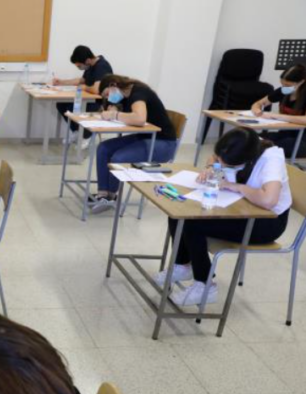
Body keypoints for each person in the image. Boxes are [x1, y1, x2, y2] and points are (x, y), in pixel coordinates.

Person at [156, 128, 291, 306]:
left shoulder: (271, 158)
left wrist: (236, 187)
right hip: (239, 207)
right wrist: (212, 169)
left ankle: (205, 285)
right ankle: (182, 265)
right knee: (179, 212)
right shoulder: (240, 142)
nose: (220, 162)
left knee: (192, 224)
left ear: (244, 159)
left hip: (267, 221)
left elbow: (269, 200)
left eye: (225, 163)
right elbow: (213, 158)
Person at [91, 74, 178, 213]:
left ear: (113, 85)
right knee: (104, 148)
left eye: (107, 94)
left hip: (162, 143)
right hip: (145, 137)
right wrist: (115, 110)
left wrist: (114, 115)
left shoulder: (138, 93)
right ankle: (103, 194)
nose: (108, 98)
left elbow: (139, 119)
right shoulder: (125, 96)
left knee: (118, 158)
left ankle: (111, 196)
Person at [51, 45, 113, 145]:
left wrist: (84, 87)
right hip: (88, 99)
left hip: (99, 103)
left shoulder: (102, 66)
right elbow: (81, 80)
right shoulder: (90, 65)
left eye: (79, 66)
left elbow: (97, 89)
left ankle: (86, 135)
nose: (79, 68)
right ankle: (77, 132)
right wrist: (62, 82)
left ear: (87, 60)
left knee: (72, 108)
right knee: (61, 104)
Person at [251, 63, 306, 158]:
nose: (283, 87)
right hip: (284, 134)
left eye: (287, 85)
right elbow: (258, 103)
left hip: (302, 140)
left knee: (271, 147)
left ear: (301, 82)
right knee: (253, 139)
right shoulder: (283, 91)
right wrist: (256, 110)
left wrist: (276, 116)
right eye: (282, 84)